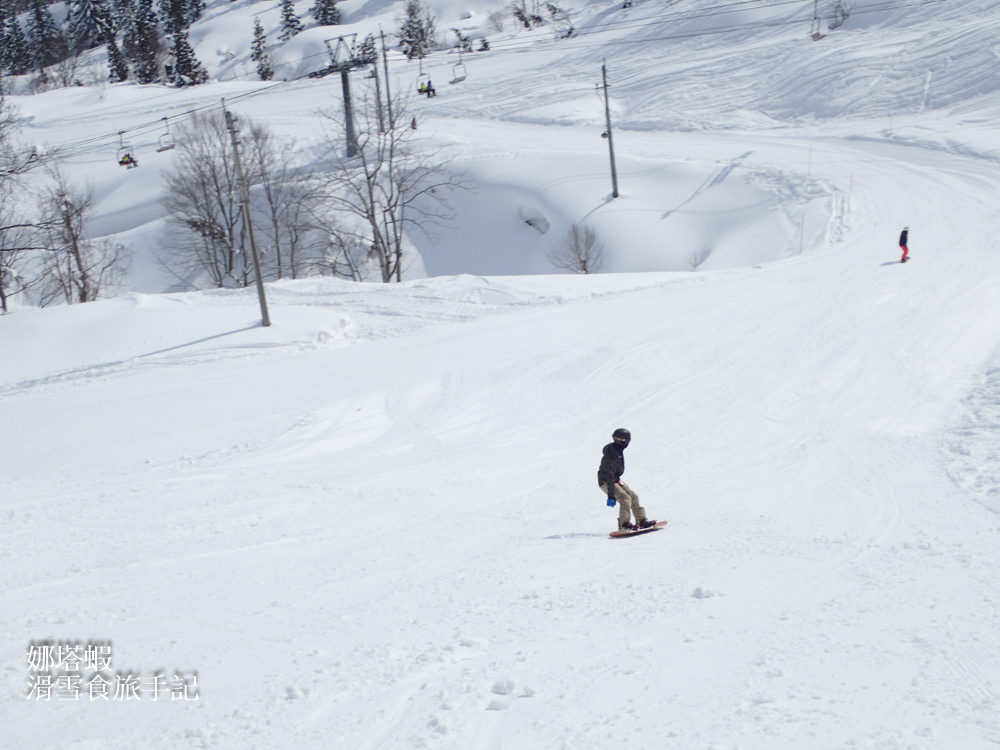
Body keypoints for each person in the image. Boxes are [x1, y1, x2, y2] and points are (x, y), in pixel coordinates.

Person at [597, 428, 656, 531]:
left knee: (633, 496)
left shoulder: (616, 450)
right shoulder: (612, 454)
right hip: (607, 481)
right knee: (625, 498)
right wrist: (611, 495)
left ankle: (641, 521)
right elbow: (609, 476)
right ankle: (624, 524)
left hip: (615, 480)